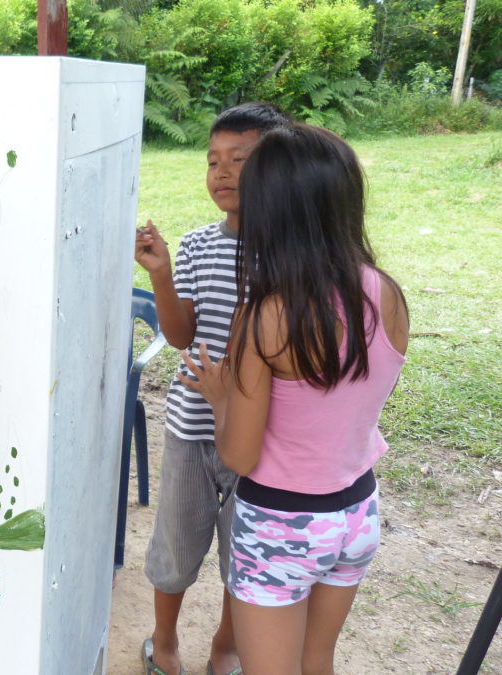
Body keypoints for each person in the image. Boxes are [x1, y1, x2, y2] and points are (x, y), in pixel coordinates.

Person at [180, 124, 409, 674]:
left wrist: (218, 395)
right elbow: (347, 406)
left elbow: (238, 456)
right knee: (317, 660)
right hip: (357, 511)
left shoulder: (266, 315)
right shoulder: (387, 293)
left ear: (269, 210)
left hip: (284, 522)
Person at [134, 102, 292, 675]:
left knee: (242, 556)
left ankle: (226, 647)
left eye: (240, 161)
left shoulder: (292, 254)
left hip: (261, 438)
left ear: (280, 167)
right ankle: (166, 640)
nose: (221, 173)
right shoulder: (200, 245)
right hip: (192, 427)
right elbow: (180, 335)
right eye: (212, 161)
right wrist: (160, 273)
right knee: (175, 549)